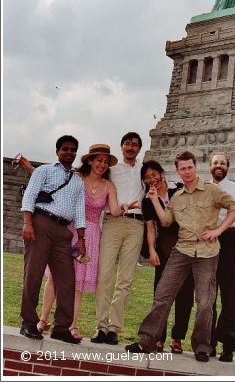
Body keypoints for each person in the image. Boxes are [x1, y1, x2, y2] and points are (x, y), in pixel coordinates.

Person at [126, 150, 235, 362]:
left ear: (195, 167)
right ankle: (146, 341)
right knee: (162, 295)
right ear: (177, 171)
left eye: (190, 167)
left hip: (207, 252)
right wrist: (153, 200)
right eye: (182, 169)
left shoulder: (212, 190)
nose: (187, 172)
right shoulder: (177, 197)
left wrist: (218, 231)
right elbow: (166, 221)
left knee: (205, 302)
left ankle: (202, 347)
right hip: (182, 250)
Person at [21, 144, 131, 339]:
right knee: (54, 278)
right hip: (69, 229)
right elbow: (51, 182)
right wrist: (29, 167)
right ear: (90, 160)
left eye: (106, 162)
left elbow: (113, 211)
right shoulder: (76, 177)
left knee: (76, 282)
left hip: (91, 234)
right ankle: (43, 319)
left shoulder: (109, 186)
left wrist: (124, 207)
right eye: (99, 160)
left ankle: (71, 325)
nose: (102, 165)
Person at [20, 135, 85, 344]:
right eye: (65, 149)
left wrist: (81, 238)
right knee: (34, 274)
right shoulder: (44, 171)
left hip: (63, 231)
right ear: (57, 152)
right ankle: (28, 323)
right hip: (41, 224)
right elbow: (29, 196)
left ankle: (61, 327)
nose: (69, 153)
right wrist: (27, 223)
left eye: (73, 150)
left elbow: (79, 210)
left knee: (67, 280)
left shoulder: (78, 181)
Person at [91, 132, 145, 345]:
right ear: (121, 147)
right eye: (127, 144)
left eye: (135, 145)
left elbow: (161, 185)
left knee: (125, 279)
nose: (131, 147)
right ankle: (101, 327)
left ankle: (114, 328)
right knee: (104, 275)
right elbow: (90, 181)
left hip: (136, 224)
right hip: (112, 222)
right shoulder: (111, 171)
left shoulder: (145, 169)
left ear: (139, 149)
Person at [141, 160, 194, 353]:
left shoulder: (178, 190)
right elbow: (150, 228)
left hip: (186, 243)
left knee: (186, 294)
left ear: (162, 173)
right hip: (164, 246)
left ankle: (177, 338)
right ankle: (158, 337)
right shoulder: (147, 200)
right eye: (147, 177)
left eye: (154, 174)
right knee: (161, 293)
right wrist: (152, 250)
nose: (151, 179)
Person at [209, 153, 235, 363]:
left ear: (228, 167)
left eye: (222, 163)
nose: (219, 166)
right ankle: (208, 343)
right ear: (210, 167)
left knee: (229, 298)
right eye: (215, 163)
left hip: (232, 242)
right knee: (208, 297)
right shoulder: (204, 188)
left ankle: (228, 345)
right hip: (209, 243)